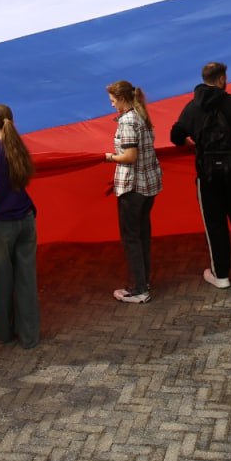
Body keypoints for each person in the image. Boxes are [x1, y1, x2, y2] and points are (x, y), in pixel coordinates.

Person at [170, 61, 231, 288]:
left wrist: (195, 147)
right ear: (222, 79)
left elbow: (175, 136)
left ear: (204, 79)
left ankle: (221, 275)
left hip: (206, 175)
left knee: (214, 222)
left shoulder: (192, 108)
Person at [0, 104, 39, 349]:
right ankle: (29, 335)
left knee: (1, 280)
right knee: (26, 278)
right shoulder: (20, 146)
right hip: (25, 217)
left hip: (2, 223)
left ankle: (4, 332)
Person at [103, 81, 163, 303]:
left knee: (131, 238)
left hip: (133, 188)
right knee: (142, 235)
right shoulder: (141, 116)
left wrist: (109, 157)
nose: (112, 105)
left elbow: (130, 156)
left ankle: (139, 289)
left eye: (113, 101)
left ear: (122, 99)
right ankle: (143, 281)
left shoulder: (127, 121)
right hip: (149, 185)